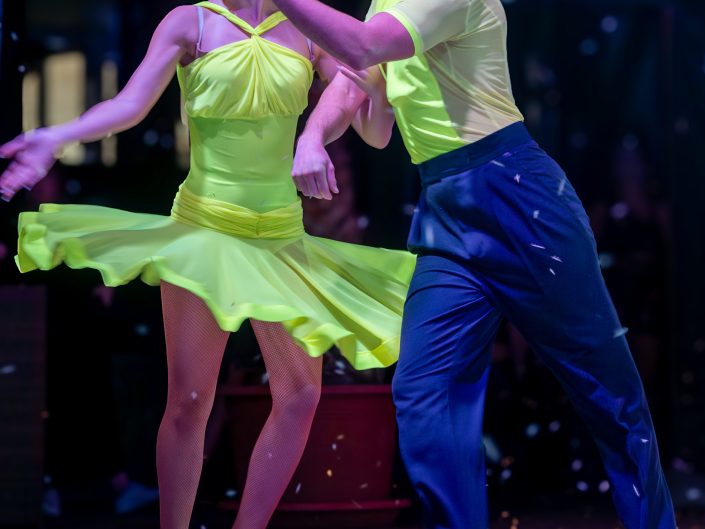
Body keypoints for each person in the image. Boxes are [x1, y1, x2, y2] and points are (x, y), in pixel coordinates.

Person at [0, 1, 415, 528]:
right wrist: (57, 137)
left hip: (280, 238)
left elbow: (361, 100)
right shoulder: (190, 22)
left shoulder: (304, 25)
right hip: (206, 229)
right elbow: (129, 105)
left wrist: (337, 117)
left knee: (301, 395)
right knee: (191, 400)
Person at [269, 0, 677, 527]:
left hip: (516, 194)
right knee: (424, 392)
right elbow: (361, 97)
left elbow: (364, 47)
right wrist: (311, 136)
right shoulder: (385, 5)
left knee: (608, 390)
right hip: (445, 207)